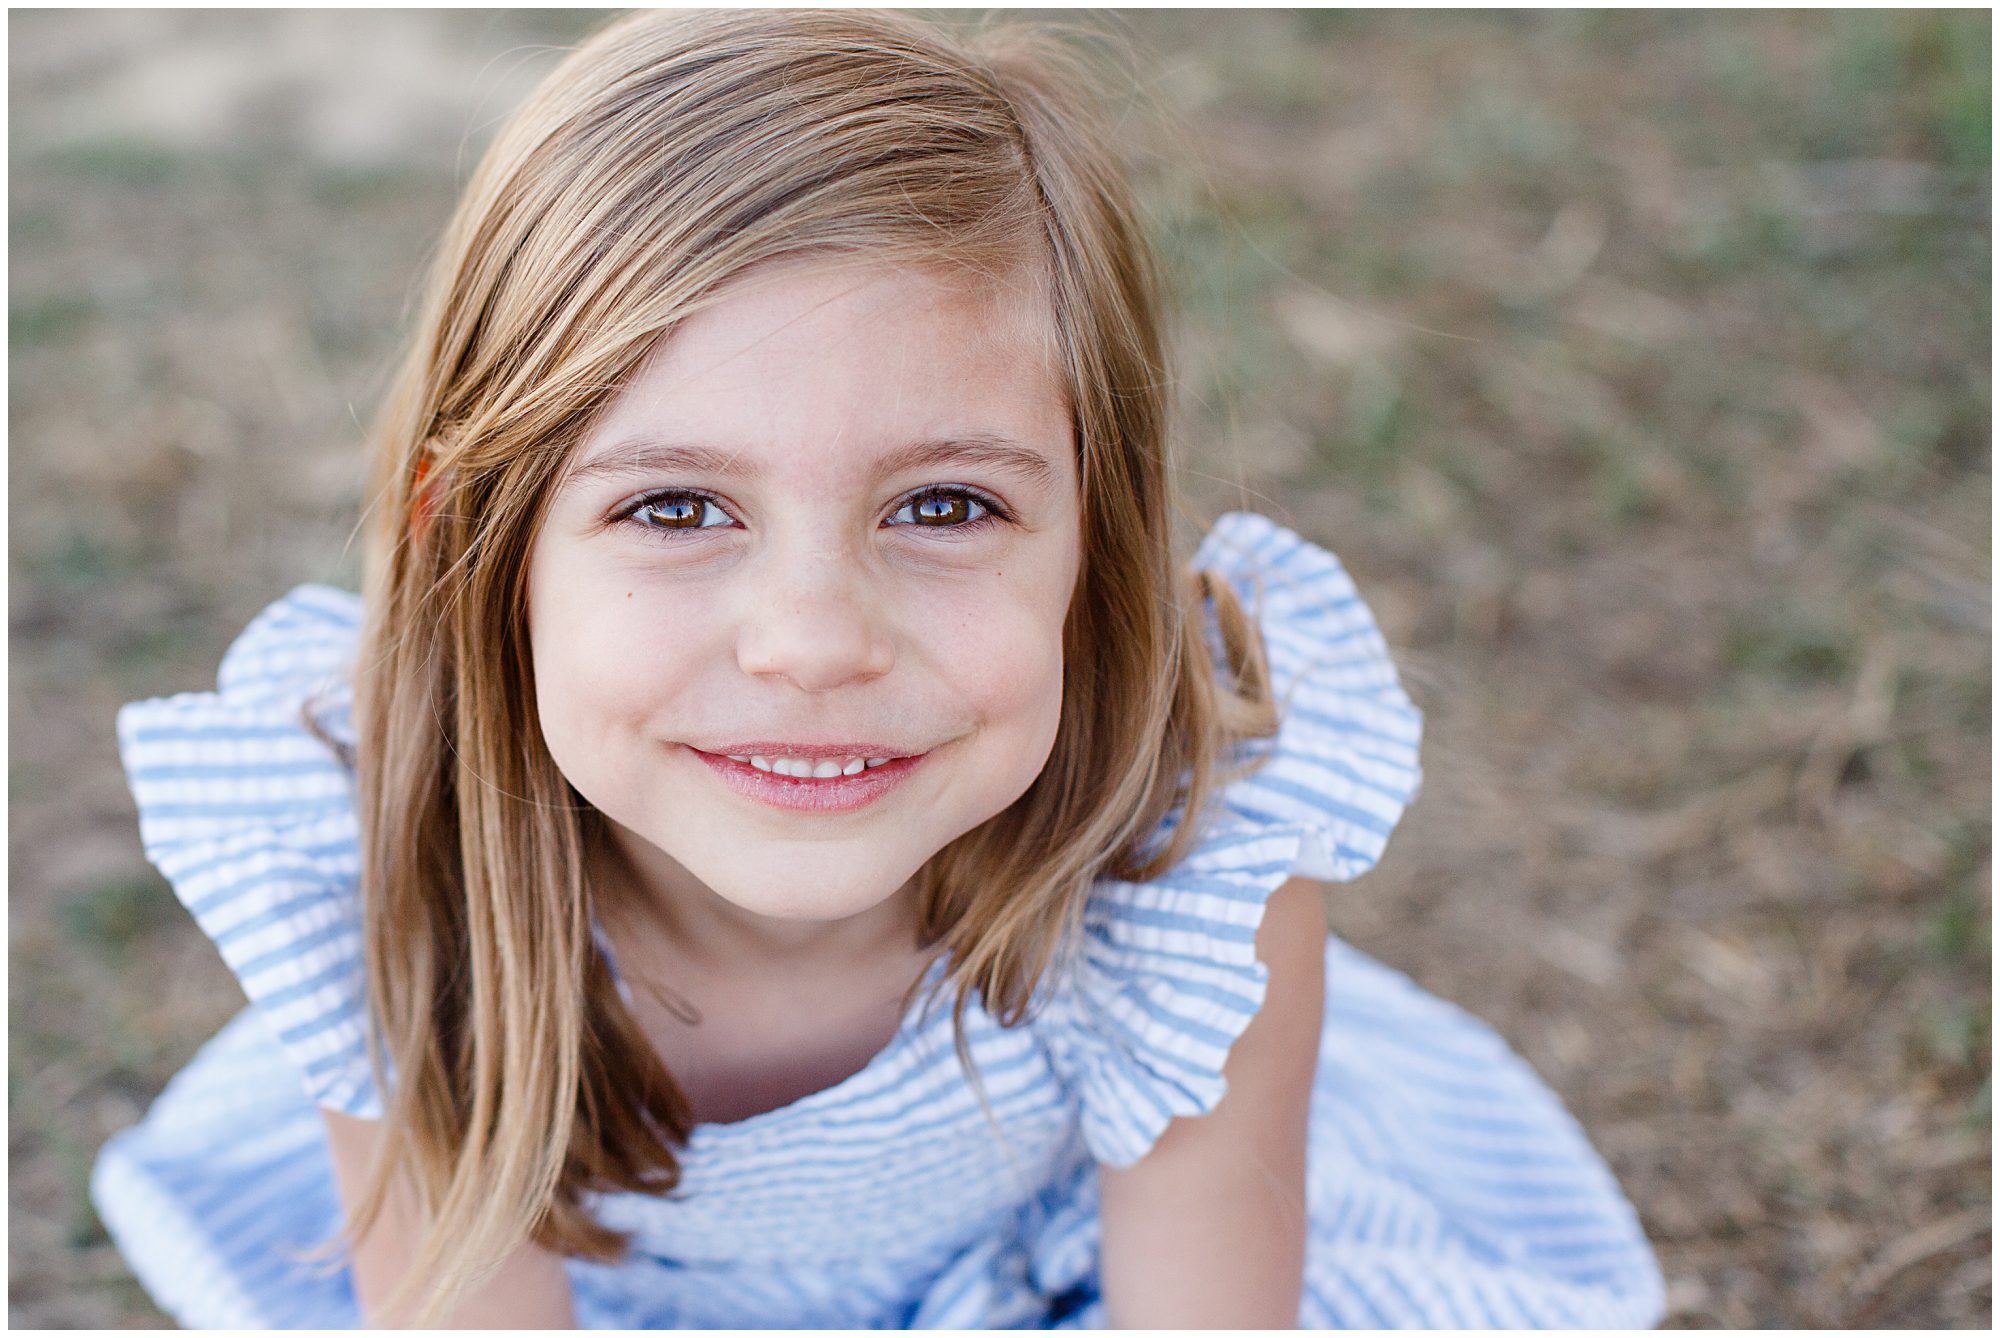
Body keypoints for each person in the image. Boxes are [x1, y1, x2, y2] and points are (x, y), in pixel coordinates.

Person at [92, 9, 1665, 1329]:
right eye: (677, 506)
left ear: (1096, 544)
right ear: (478, 546)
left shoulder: (1194, 851)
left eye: (943, 504)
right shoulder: (372, 846)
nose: (814, 641)